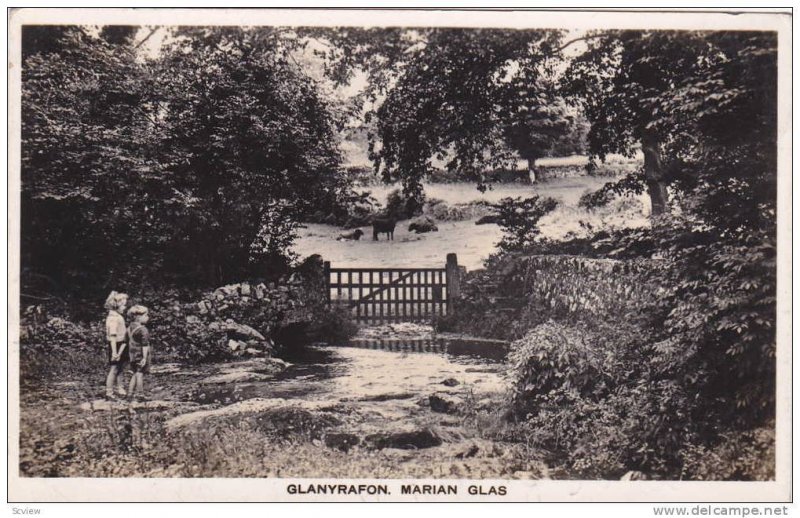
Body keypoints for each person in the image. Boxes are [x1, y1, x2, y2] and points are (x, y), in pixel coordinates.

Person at [104, 291, 129, 400]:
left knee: (120, 367)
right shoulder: (113, 318)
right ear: (116, 305)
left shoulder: (118, 316)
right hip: (116, 344)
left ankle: (120, 387)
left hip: (121, 343)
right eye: (123, 305)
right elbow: (113, 336)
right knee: (114, 368)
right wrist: (114, 352)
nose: (125, 307)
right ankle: (109, 392)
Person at [126, 305, 152, 401]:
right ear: (139, 317)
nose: (147, 317)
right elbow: (145, 345)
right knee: (140, 373)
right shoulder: (143, 329)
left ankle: (130, 393)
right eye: (146, 315)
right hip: (140, 354)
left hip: (132, 355)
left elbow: (126, 341)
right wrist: (144, 357)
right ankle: (140, 394)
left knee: (135, 373)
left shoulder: (130, 328)